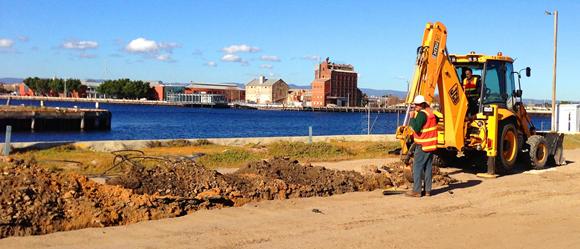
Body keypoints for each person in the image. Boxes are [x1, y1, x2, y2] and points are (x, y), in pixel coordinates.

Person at [406, 95, 438, 197]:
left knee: (417, 167)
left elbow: (416, 128)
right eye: (415, 105)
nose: (416, 106)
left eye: (417, 105)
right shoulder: (431, 113)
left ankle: (417, 191)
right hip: (431, 145)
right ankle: (428, 190)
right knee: (428, 168)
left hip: (422, 145)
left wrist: (411, 118)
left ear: (422, 104)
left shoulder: (422, 114)